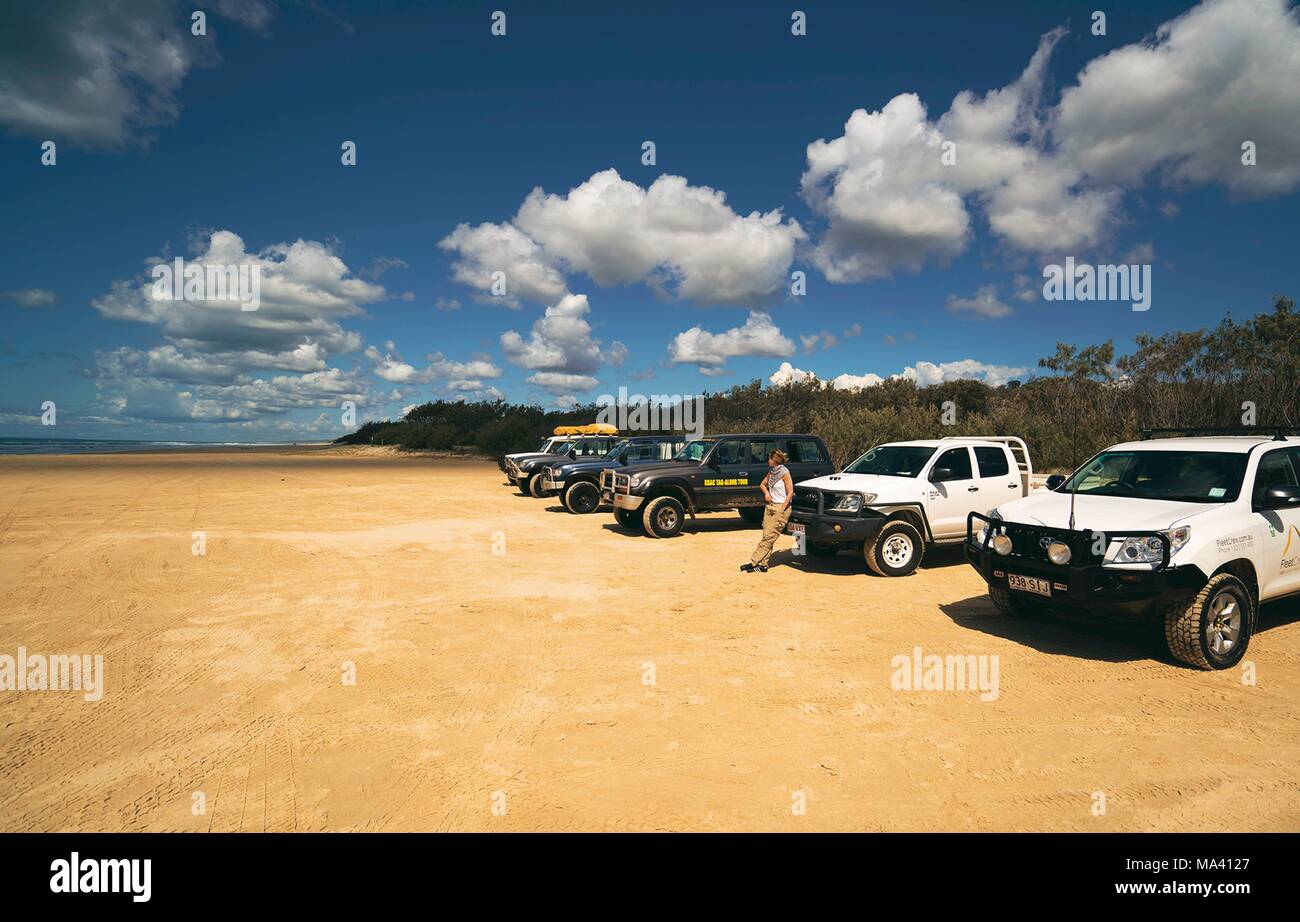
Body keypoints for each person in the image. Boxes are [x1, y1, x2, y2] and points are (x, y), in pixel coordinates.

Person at [741, 448, 794, 573]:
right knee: (766, 536)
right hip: (770, 506)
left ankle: (754, 562)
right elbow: (762, 484)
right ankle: (763, 565)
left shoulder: (785, 473)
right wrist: (766, 493)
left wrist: (782, 508)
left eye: (769, 459)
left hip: (780, 508)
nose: (768, 461)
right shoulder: (772, 472)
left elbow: (790, 492)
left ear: (774, 460)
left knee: (769, 537)